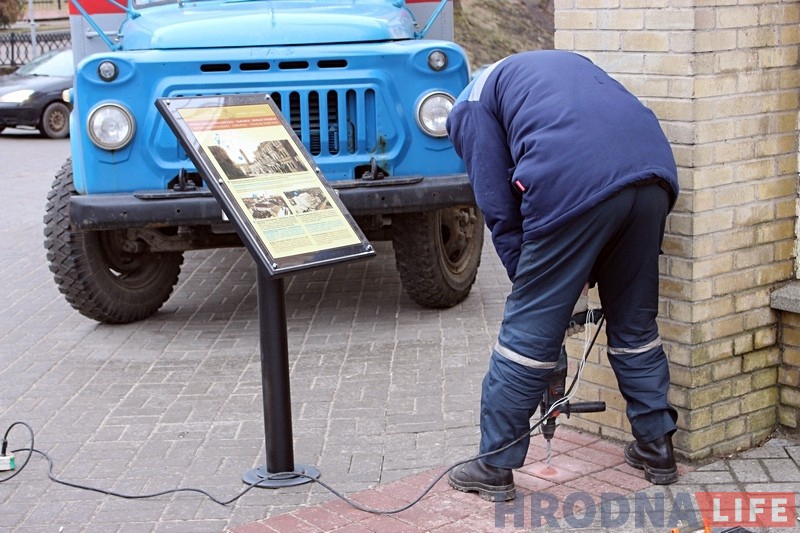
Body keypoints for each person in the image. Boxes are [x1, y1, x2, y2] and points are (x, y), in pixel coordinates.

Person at [445, 50, 680, 502]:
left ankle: (494, 465)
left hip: (576, 176)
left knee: (526, 336)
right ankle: (657, 448)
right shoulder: (557, 67)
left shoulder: (468, 106)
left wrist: (533, 285)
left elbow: (497, 204)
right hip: (653, 175)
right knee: (635, 323)